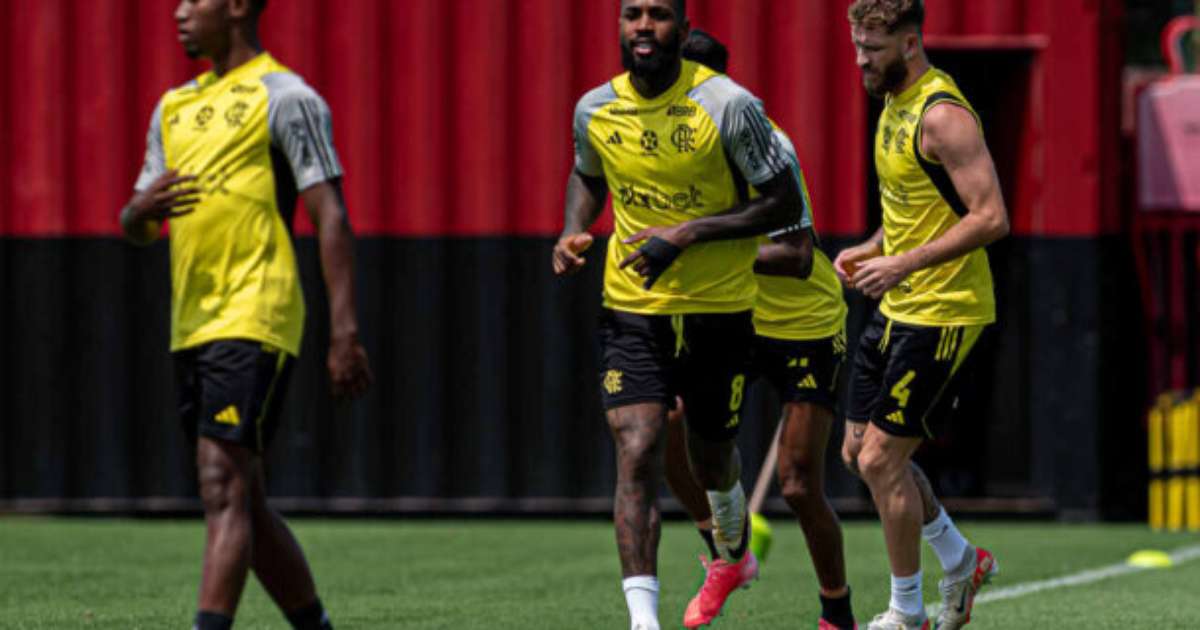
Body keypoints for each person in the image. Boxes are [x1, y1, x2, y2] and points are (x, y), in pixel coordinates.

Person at [120, 1, 372, 628]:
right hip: (192, 322)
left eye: (192, 1)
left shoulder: (286, 97)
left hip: (257, 311)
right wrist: (138, 210)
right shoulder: (173, 107)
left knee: (220, 482)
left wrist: (344, 332)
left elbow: (330, 216)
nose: (177, 14)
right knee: (245, 500)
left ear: (236, 7)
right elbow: (138, 225)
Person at [551, 1, 803, 627]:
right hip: (633, 306)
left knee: (712, 456)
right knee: (636, 447)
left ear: (682, 30)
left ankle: (734, 546)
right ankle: (644, 621)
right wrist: (572, 231)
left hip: (718, 309)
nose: (643, 26)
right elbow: (587, 175)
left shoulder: (728, 105)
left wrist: (688, 233)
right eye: (631, 14)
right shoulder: (594, 108)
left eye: (658, 15)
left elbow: (782, 202)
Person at [662, 30, 856, 630]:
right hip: (732, 317)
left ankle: (836, 615)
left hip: (805, 322)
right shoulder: (668, 152)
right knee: (670, 434)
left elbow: (798, 256)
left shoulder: (765, 142)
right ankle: (729, 556)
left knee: (799, 484)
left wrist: (702, 249)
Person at [836, 1, 1008, 628]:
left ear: (910, 44)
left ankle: (906, 613)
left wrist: (903, 264)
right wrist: (876, 246)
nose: (860, 60)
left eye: (872, 49)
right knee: (859, 455)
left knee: (883, 460)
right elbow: (918, 205)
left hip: (946, 311)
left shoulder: (942, 116)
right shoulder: (891, 103)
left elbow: (991, 218)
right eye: (857, 45)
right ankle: (960, 559)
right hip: (899, 302)